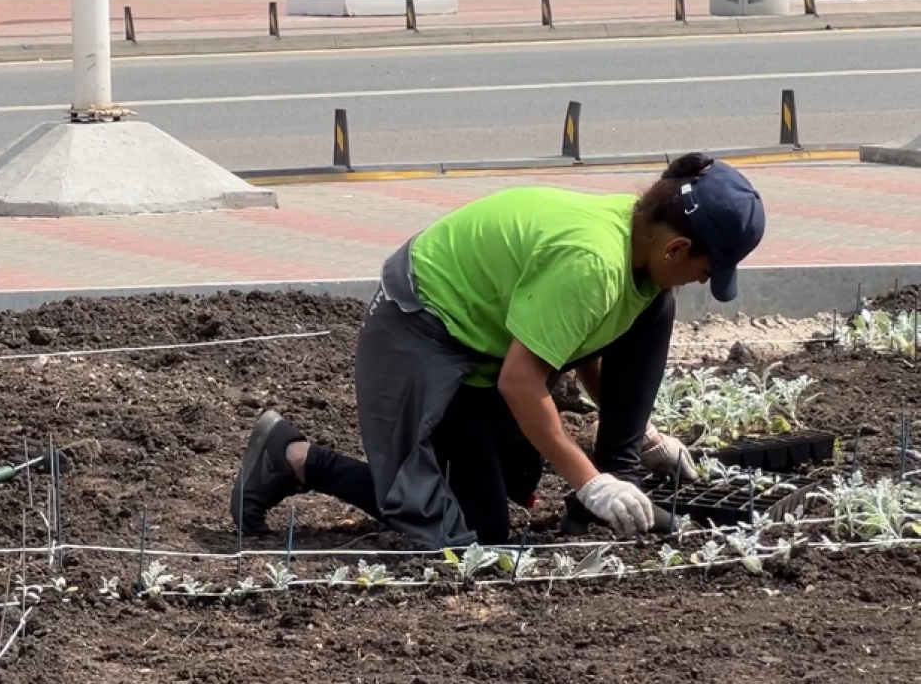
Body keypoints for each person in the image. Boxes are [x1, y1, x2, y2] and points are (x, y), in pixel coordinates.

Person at [231, 154, 767, 548]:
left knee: (653, 307)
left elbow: (582, 337)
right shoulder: (593, 263)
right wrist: (591, 482)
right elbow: (520, 382)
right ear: (676, 246)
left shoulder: (637, 238)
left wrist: (637, 437)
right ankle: (295, 458)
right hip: (421, 329)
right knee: (468, 529)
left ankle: (596, 474)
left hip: (484, 342)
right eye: (705, 270)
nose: (703, 282)